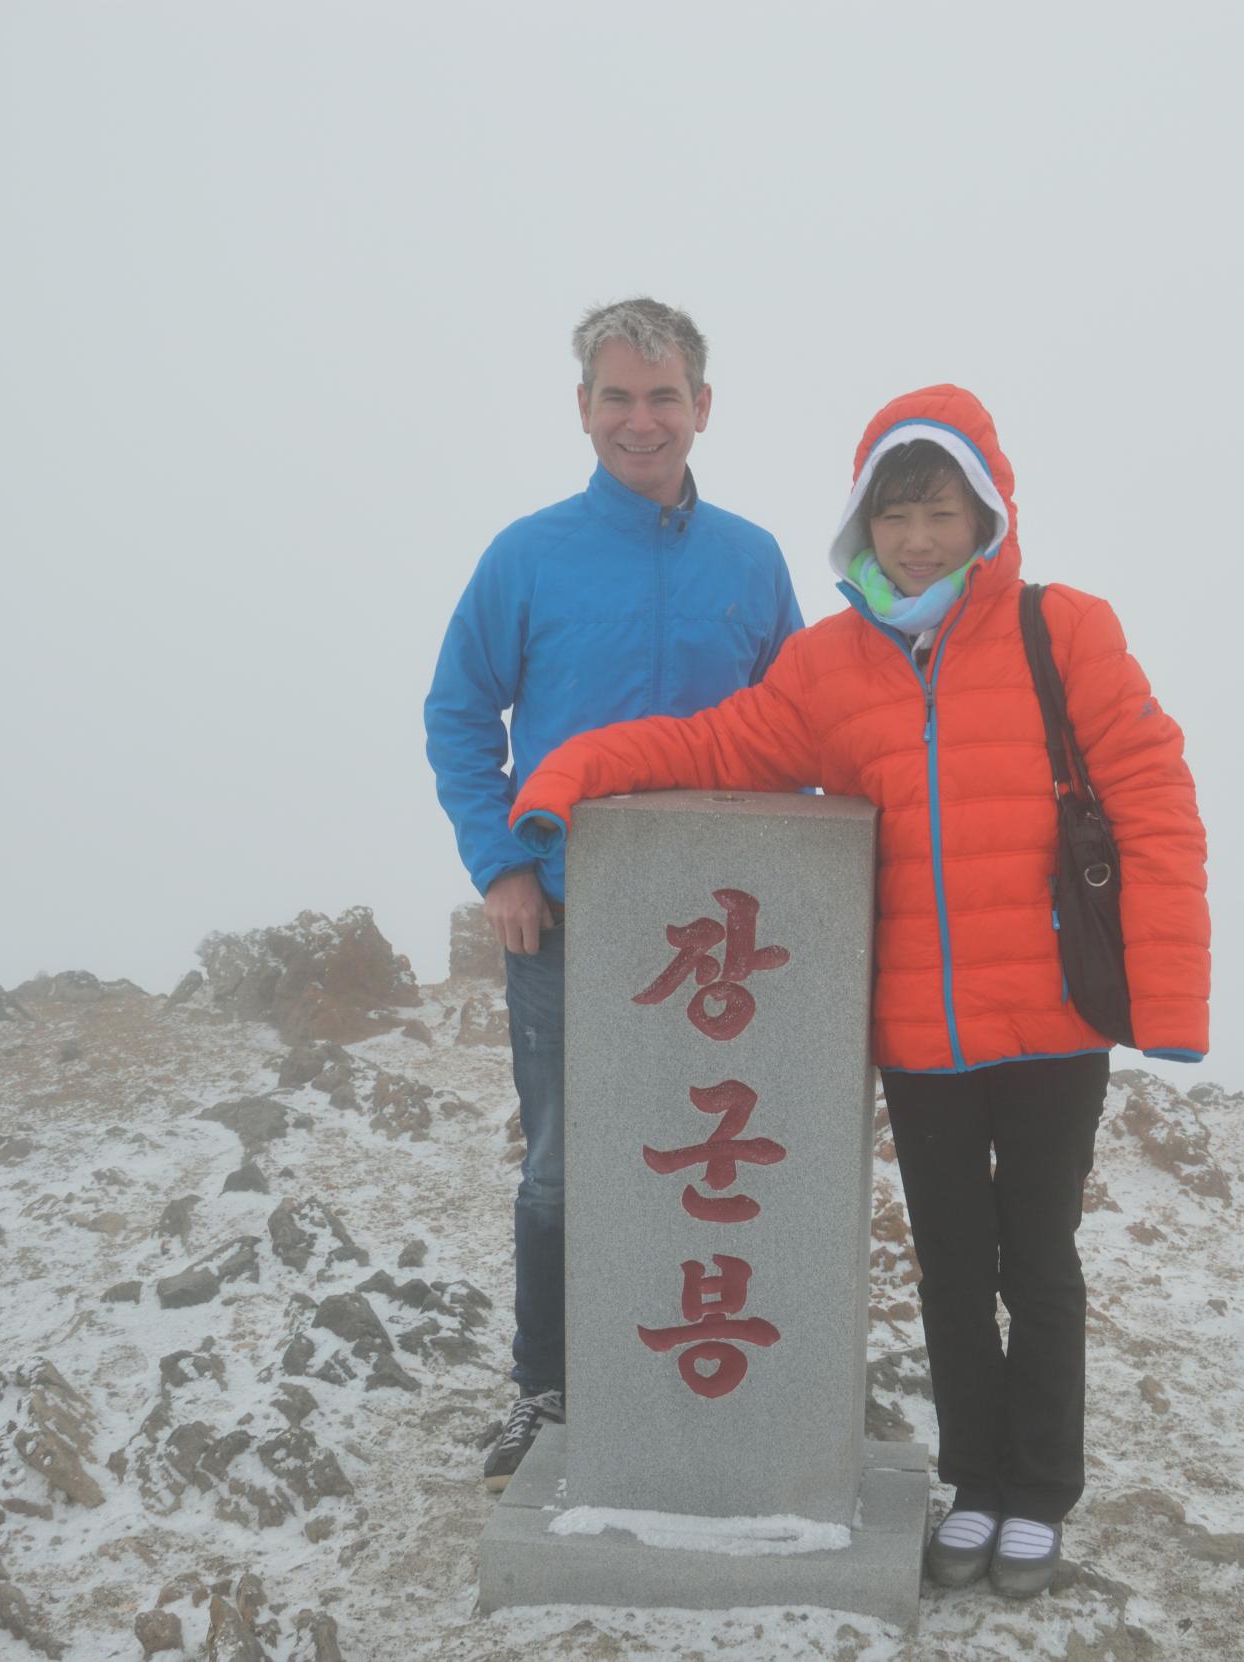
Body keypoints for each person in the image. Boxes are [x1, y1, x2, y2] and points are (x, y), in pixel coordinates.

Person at [506, 385, 1209, 1597]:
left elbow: (1154, 797)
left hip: (1053, 1022)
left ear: (985, 516)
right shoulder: (830, 668)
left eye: (941, 513)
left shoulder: (1063, 631)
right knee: (952, 1268)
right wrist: (570, 770)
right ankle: (974, 1485)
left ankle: (1040, 1493)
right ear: (863, 525)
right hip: (922, 1035)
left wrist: (1170, 998)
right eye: (896, 516)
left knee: (1038, 1262)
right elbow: (714, 744)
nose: (919, 541)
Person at [424, 298, 804, 1489]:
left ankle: (706, 1377)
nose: (642, 421)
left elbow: (798, 726)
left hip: (723, 935)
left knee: (714, 1158)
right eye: (618, 397)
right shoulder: (526, 556)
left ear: (704, 406)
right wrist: (502, 864)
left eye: (664, 396)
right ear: (582, 408)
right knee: (561, 1166)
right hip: (566, 918)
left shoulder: (752, 560)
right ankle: (548, 1386)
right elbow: (457, 714)